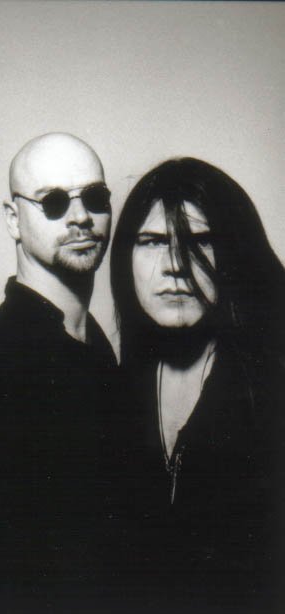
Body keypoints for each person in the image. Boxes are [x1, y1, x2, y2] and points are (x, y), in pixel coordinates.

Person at [110, 157, 285, 612]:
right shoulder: (115, 388)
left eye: (200, 240)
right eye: (152, 241)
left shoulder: (272, 387)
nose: (174, 265)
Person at [0, 132, 120, 609]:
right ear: (13, 219)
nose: (80, 217)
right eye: (53, 202)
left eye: (94, 198)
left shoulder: (89, 341)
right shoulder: (2, 362)